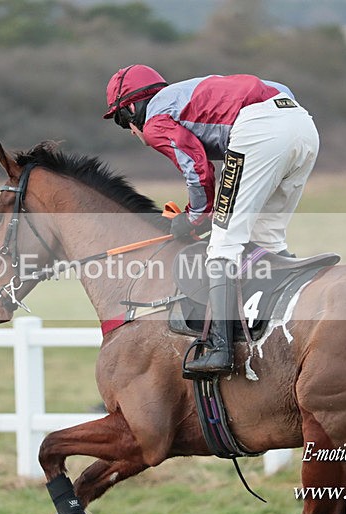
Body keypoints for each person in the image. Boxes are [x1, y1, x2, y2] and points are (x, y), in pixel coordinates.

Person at [103, 65, 319, 375]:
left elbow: (196, 165)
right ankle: (280, 327)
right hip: (302, 123)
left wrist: (195, 217)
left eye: (123, 121)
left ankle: (221, 348)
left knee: (223, 242)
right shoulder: (181, 95)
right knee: (267, 239)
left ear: (133, 108)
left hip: (261, 130)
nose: (133, 131)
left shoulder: (153, 121)